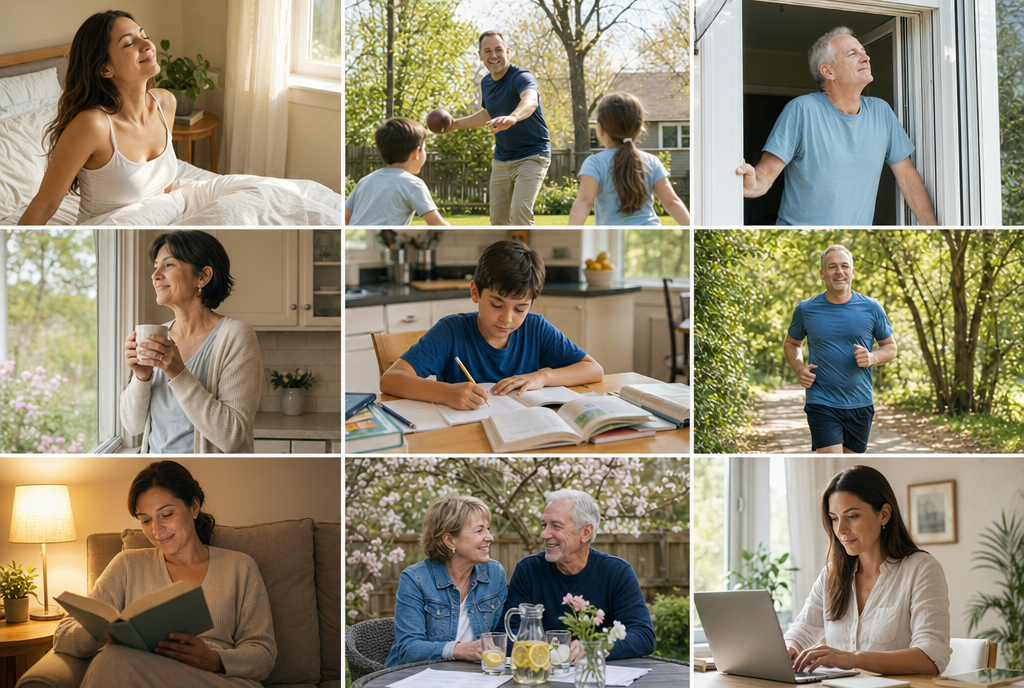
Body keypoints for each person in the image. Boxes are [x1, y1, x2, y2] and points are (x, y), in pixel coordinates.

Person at [52, 461, 277, 687]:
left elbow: (264, 655)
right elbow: (62, 637)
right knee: (112, 657)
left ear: (194, 507)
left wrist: (213, 659)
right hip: (143, 675)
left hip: (217, 681)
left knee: (111, 660)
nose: (156, 530)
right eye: (146, 520)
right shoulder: (127, 565)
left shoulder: (239, 567)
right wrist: (101, 631)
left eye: (166, 514)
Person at [735, 27, 937, 226]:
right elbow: (767, 172)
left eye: (864, 52)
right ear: (828, 71)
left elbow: (907, 177)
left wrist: (933, 229)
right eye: (852, 53)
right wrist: (751, 185)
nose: (866, 58)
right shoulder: (802, 110)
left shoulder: (881, 111)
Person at [379, 240, 603, 410]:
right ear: (475, 292)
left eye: (520, 309)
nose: (507, 319)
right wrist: (445, 393)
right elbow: (391, 379)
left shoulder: (536, 328)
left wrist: (542, 376)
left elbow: (594, 369)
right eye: (497, 304)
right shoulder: (450, 331)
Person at [785, 465, 950, 675]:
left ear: (884, 514)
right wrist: (791, 647)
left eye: (852, 516)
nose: (841, 530)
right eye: (834, 518)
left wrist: (853, 658)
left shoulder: (921, 569)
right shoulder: (831, 575)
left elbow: (932, 657)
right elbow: (802, 630)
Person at [19, 10, 179, 225]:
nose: (147, 45)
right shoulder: (92, 125)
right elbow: (44, 204)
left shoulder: (165, 103)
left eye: (144, 35)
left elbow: (163, 189)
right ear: (105, 68)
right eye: (129, 43)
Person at [120, 231, 263, 453]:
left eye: (168, 265)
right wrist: (141, 376)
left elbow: (231, 436)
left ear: (203, 277)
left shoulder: (237, 336)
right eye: (155, 266)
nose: (155, 275)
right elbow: (132, 426)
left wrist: (178, 373)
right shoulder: (158, 337)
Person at [503, 489, 655, 661]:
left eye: (556, 525)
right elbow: (508, 634)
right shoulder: (528, 570)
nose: (544, 534)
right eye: (544, 525)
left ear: (586, 532)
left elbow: (643, 636)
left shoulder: (617, 572)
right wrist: (552, 651)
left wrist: (595, 647)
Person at [784, 244, 896, 453]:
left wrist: (872, 357)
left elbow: (890, 347)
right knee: (833, 462)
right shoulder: (806, 309)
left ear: (852, 272)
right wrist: (799, 368)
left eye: (845, 266)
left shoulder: (871, 307)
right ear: (822, 273)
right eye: (832, 266)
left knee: (849, 465)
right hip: (822, 401)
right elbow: (792, 343)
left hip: (860, 403)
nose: (839, 272)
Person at [443, 31, 551, 226]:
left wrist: (513, 117)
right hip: (502, 159)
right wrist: (456, 124)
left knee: (520, 212)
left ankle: (527, 256)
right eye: (488, 51)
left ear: (507, 51)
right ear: (480, 56)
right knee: (498, 221)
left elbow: (530, 100)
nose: (493, 55)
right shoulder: (486, 83)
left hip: (532, 155)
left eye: (498, 49)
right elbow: (488, 114)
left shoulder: (522, 77)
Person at [385, 494, 506, 667]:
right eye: (479, 531)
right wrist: (459, 650)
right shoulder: (415, 579)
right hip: (417, 677)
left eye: (488, 529)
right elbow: (408, 649)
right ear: (449, 540)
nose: (489, 537)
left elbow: (499, 635)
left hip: (473, 676)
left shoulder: (495, 573)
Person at [569, 92, 690, 226]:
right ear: (638, 128)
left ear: (600, 128)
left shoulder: (594, 163)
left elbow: (584, 202)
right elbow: (672, 202)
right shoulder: (651, 161)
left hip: (614, 238)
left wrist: (567, 235)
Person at [344, 117, 449, 226]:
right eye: (425, 149)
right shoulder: (413, 184)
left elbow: (346, 217)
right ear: (416, 152)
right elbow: (438, 225)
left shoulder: (365, 181)